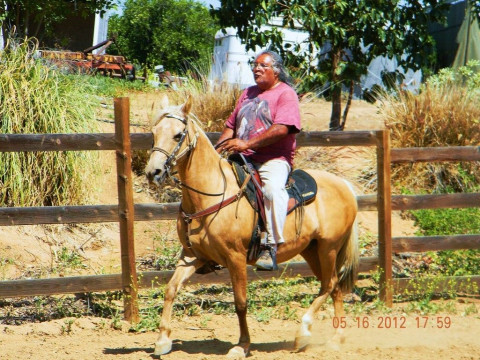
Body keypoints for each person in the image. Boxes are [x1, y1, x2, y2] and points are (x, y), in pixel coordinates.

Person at [215, 50, 301, 271]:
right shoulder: (248, 93)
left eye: (263, 65)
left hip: (272, 159)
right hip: (242, 157)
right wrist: (219, 149)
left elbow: (282, 129)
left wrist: (247, 144)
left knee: (272, 191)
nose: (256, 68)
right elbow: (230, 126)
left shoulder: (286, 94)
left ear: (277, 70)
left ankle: (270, 245)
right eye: (254, 65)